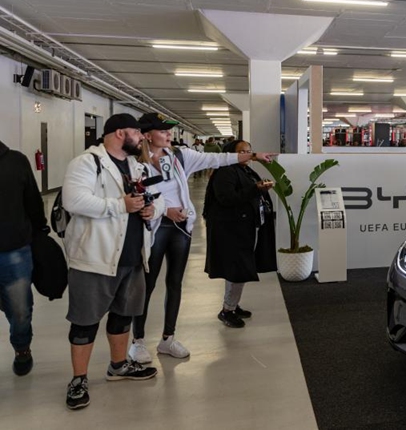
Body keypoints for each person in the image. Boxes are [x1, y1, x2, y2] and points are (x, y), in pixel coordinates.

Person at [128, 114, 274, 363]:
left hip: (180, 228)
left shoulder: (180, 157)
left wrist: (252, 156)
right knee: (147, 285)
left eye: (168, 131)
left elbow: (217, 158)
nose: (168, 134)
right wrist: (165, 210)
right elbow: (137, 194)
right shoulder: (134, 164)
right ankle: (138, 341)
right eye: (163, 131)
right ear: (148, 134)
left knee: (175, 283)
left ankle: (168, 338)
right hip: (153, 227)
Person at [61, 113, 165, 410]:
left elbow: (157, 199)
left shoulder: (137, 165)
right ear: (120, 133)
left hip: (132, 256)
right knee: (85, 321)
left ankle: (118, 366)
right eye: (137, 131)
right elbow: (74, 200)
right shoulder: (86, 163)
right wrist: (120, 205)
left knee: (123, 315)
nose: (142, 137)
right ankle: (79, 378)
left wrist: (152, 211)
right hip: (95, 258)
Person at [203, 140, 278, 328]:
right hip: (231, 230)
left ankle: (233, 305)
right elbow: (227, 198)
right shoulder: (226, 171)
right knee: (236, 269)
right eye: (242, 151)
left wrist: (260, 189)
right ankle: (227, 310)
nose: (247, 154)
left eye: (249, 151)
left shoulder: (244, 170)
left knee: (240, 269)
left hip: (243, 227)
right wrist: (256, 189)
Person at [0, 139, 47, 377]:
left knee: (19, 310)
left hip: (13, 250)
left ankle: (22, 348)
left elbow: (33, 201)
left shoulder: (16, 161)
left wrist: (40, 229)